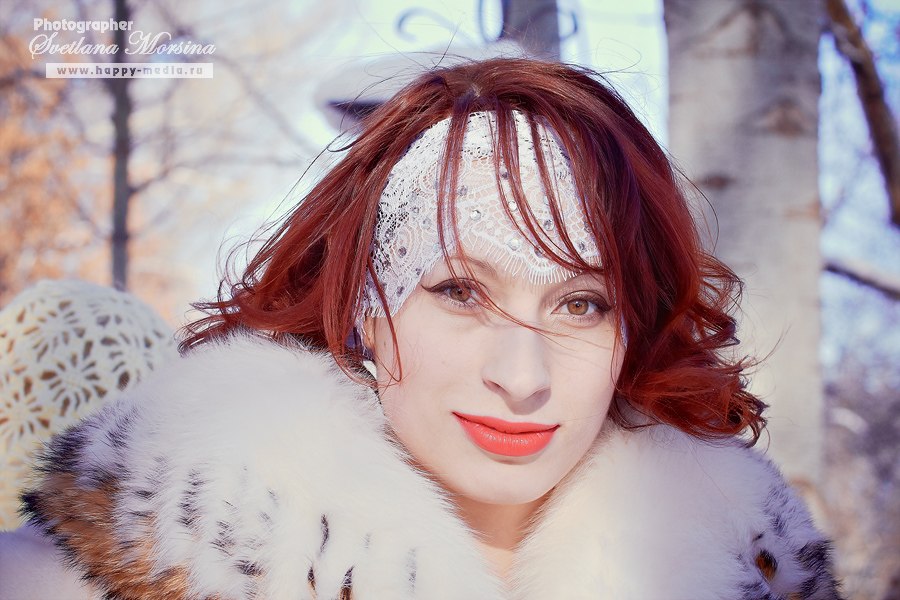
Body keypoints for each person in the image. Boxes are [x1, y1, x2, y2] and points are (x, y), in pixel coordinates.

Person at [0, 58, 842, 599]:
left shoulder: (757, 570)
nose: (523, 376)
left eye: (582, 303)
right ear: (364, 308)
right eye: (461, 292)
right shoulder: (64, 583)